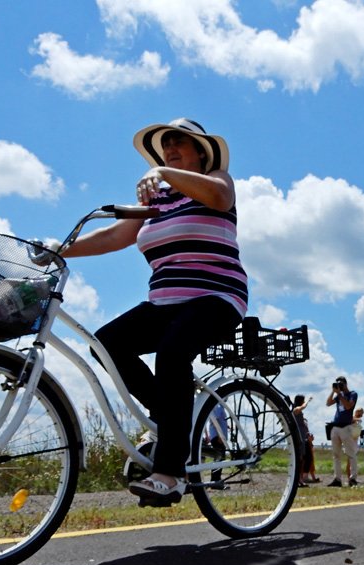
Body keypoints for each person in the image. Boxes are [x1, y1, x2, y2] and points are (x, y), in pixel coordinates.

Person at [57, 118, 244, 506]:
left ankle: (171, 473)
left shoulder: (218, 181)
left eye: (180, 143)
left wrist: (162, 172)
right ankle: (170, 421)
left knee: (172, 352)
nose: (170, 148)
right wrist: (59, 249)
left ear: (201, 153)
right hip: (165, 302)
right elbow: (114, 236)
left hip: (216, 297)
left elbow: (221, 200)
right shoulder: (156, 201)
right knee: (106, 344)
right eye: (165, 146)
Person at [327, 376, 359, 487]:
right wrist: (333, 391)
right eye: (338, 384)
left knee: (351, 454)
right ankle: (337, 479)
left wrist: (340, 394)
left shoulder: (352, 394)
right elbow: (328, 403)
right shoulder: (338, 395)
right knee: (336, 455)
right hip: (336, 427)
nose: (339, 386)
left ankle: (353, 478)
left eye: (341, 384)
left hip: (346, 428)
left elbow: (348, 406)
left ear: (345, 384)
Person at [292, 394, 312, 487]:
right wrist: (308, 401)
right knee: (299, 459)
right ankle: (298, 479)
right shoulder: (296, 410)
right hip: (298, 437)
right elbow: (303, 407)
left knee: (302, 459)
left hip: (302, 437)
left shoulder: (298, 412)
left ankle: (300, 479)